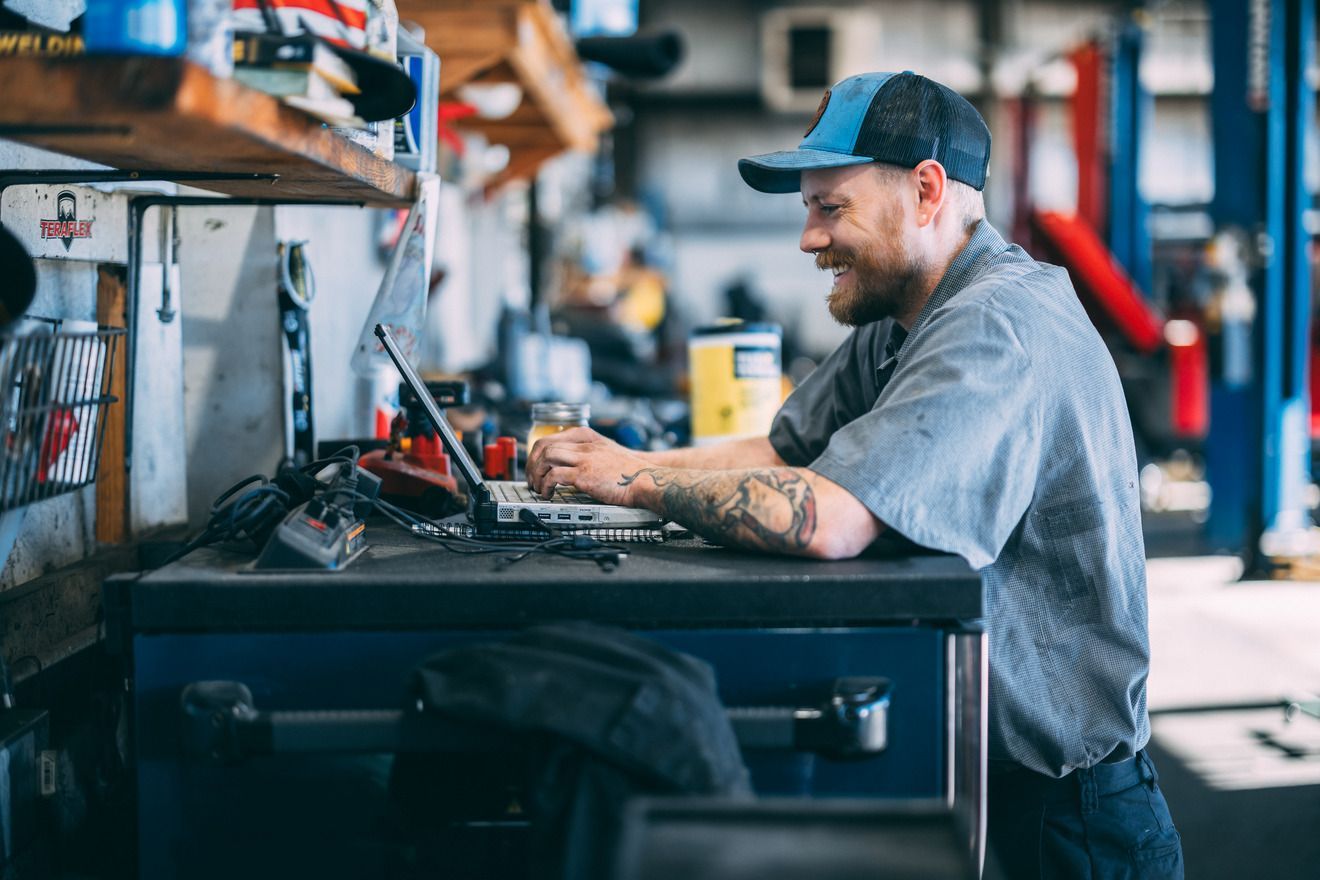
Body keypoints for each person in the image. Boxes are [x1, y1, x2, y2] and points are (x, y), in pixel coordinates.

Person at [525, 71, 1183, 878]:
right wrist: (612, 461)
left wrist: (630, 485)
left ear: (927, 190)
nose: (807, 238)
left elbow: (829, 518)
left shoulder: (997, 325)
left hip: (1068, 823)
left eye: (828, 208)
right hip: (993, 783)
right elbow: (780, 453)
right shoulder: (907, 314)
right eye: (808, 209)